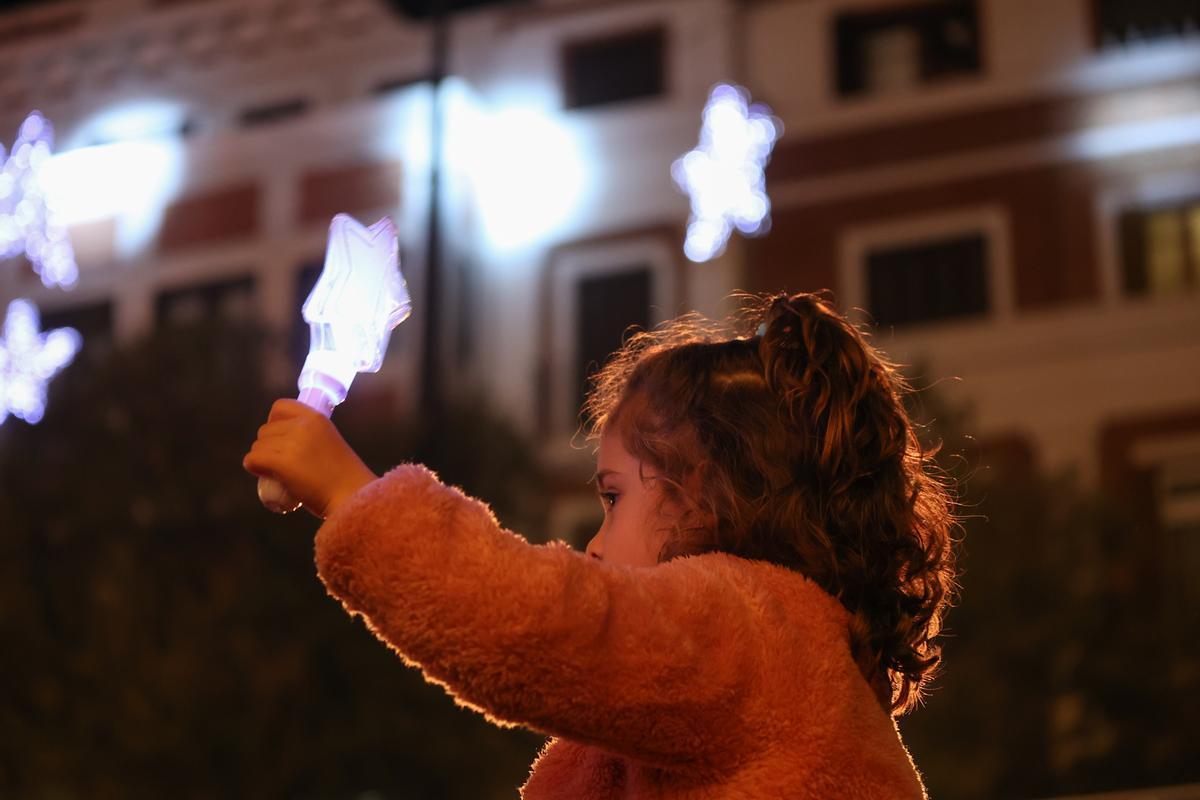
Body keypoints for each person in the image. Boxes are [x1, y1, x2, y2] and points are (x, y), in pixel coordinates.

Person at [243, 290, 958, 799]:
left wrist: (354, 496)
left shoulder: (749, 630)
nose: (591, 546)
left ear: (710, 491)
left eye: (614, 497)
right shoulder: (781, 661)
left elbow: (539, 625)